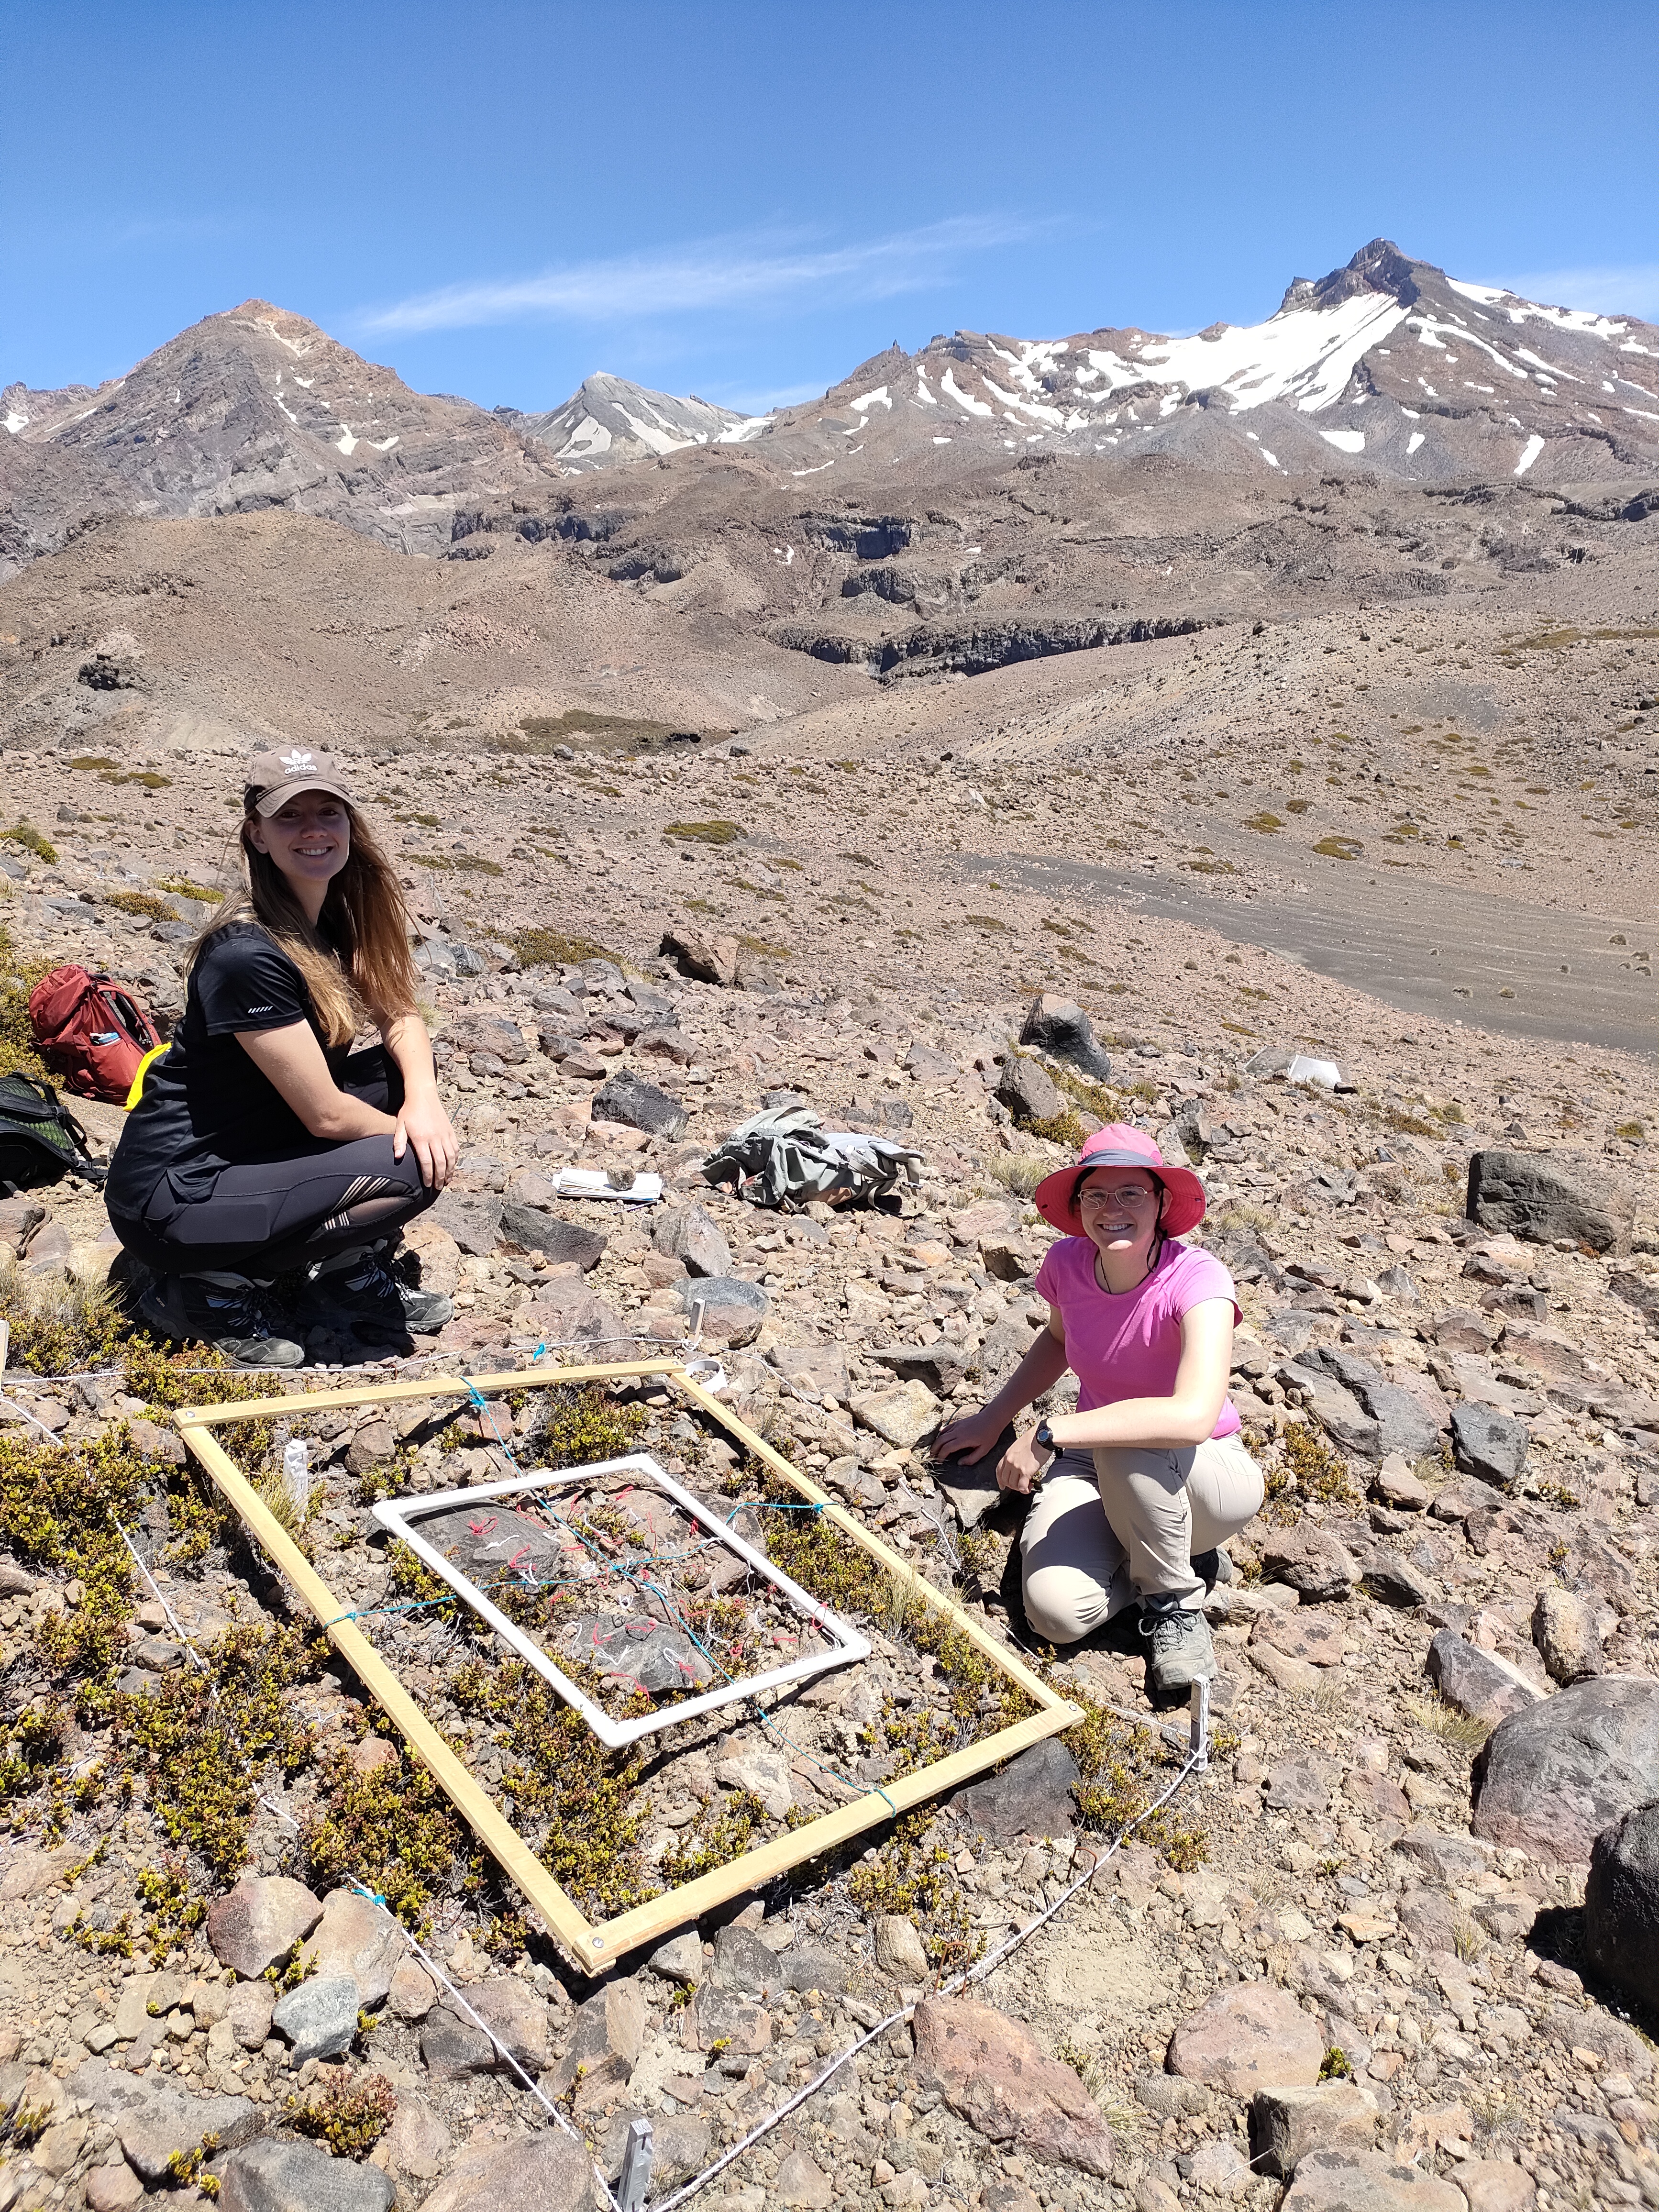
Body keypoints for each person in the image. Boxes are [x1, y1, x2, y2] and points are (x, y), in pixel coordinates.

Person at [106, 747, 459, 1366]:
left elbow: (399, 1013)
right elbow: (327, 1118)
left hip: (249, 1146)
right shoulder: (247, 953)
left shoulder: (329, 920)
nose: (314, 829)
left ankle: (348, 1271)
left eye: (329, 811)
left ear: (351, 824)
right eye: (290, 816)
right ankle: (212, 1287)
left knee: (401, 1080)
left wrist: (424, 1104)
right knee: (408, 1172)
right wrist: (415, 1142)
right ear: (257, 834)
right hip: (178, 1195)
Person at [936, 1124, 1262, 1698]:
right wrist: (994, 1417)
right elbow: (1059, 1343)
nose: (1113, 1208)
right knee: (1054, 1614)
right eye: (1097, 1194)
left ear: (1161, 1202)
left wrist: (1051, 1433)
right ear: (1079, 1204)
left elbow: (1190, 1416)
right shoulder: (1067, 1263)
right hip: (1098, 1465)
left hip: (1203, 1471)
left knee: (1127, 1442)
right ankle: (1177, 1563)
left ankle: (1174, 1606)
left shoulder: (1199, 1279)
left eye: (1132, 1192)